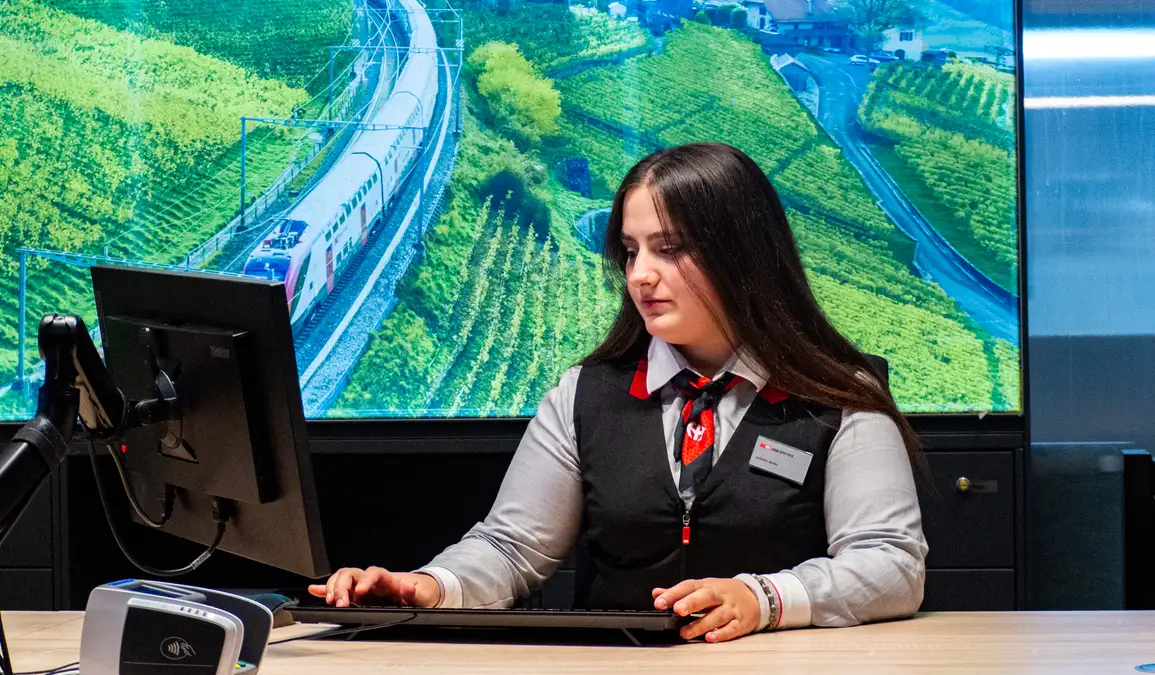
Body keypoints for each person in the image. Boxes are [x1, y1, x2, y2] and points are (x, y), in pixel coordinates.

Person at [309, 142, 928, 642]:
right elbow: (510, 548)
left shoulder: (843, 397)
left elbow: (891, 566)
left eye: (670, 249)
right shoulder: (583, 395)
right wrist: (429, 587)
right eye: (630, 251)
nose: (640, 275)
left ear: (744, 254)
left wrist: (763, 598)